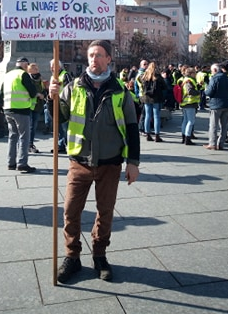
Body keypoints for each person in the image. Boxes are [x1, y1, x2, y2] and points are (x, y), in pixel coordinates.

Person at [48, 40, 140, 283]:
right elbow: (59, 119)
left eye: (99, 55)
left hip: (110, 163)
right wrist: (52, 99)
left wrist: (133, 162)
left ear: (109, 58)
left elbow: (131, 127)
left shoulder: (120, 90)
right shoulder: (73, 86)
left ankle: (100, 255)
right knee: (70, 210)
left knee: (105, 212)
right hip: (80, 161)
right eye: (91, 55)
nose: (94, 59)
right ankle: (72, 256)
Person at [2, 57, 41, 173]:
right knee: (24, 137)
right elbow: (32, 92)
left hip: (8, 109)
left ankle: (11, 163)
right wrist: (37, 94)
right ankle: (22, 163)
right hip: (21, 109)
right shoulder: (23, 75)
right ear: (25, 65)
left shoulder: (8, 75)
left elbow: (0, 91)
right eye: (27, 65)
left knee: (12, 136)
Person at [203, 63, 228, 150]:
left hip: (216, 104)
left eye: (212, 71)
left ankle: (212, 143)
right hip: (226, 103)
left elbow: (210, 92)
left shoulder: (214, 78)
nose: (211, 72)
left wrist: (205, 91)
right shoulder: (227, 78)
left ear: (215, 70)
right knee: (224, 125)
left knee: (213, 125)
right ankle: (221, 144)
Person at [49, 59, 73, 153]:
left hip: (63, 103)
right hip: (55, 103)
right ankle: (60, 144)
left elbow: (69, 88)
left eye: (54, 65)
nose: (52, 67)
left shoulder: (65, 75)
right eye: (51, 65)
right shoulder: (53, 76)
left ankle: (66, 145)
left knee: (65, 127)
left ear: (59, 66)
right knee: (58, 127)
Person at [139, 61, 166, 142]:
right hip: (156, 98)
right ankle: (157, 135)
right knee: (156, 116)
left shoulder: (144, 76)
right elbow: (164, 87)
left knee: (147, 116)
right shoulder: (158, 77)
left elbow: (142, 86)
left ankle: (147, 134)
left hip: (147, 98)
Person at [27, 63, 46, 153]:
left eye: (37, 68)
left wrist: (43, 95)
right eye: (34, 68)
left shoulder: (41, 79)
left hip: (38, 105)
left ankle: (30, 144)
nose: (36, 70)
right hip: (29, 105)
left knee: (34, 126)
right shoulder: (28, 78)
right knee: (30, 126)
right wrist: (36, 94)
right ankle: (28, 144)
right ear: (30, 70)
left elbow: (44, 90)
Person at [180, 67, 201, 145]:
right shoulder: (189, 80)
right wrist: (198, 92)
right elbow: (190, 91)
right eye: (194, 73)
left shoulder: (184, 80)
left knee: (185, 121)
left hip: (185, 103)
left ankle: (184, 137)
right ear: (191, 73)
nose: (195, 74)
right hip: (190, 103)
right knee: (190, 121)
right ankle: (187, 138)